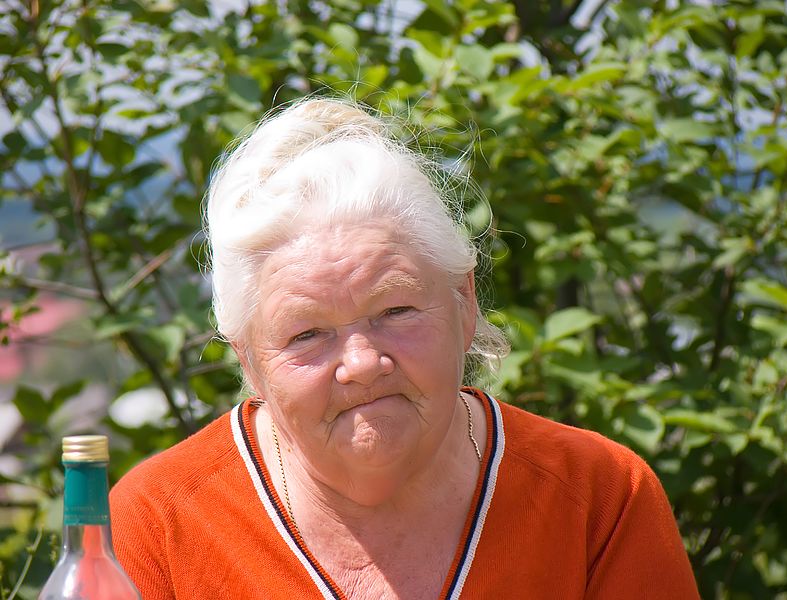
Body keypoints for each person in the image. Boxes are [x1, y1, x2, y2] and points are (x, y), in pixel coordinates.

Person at [109, 98, 700, 599]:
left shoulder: (599, 497)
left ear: (464, 303)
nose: (363, 363)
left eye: (396, 311)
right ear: (250, 361)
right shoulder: (153, 525)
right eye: (307, 334)